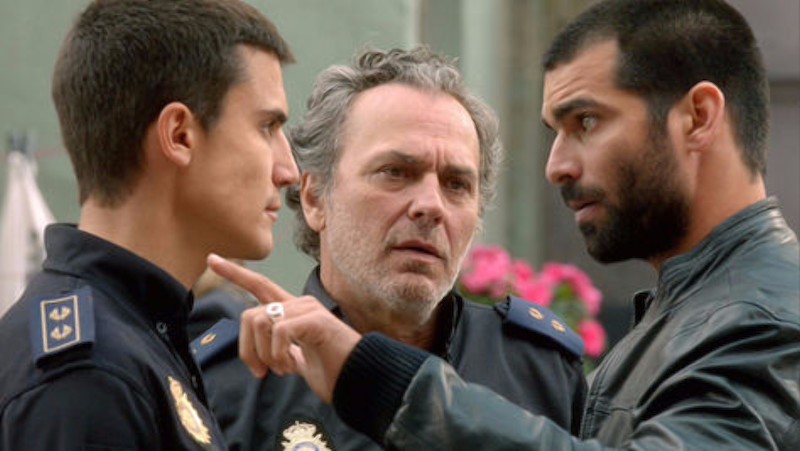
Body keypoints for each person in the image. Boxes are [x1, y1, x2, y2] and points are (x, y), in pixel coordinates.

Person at [210, 0, 800, 449]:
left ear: (698, 118)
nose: (557, 166)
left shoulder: (763, 323)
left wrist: (373, 377)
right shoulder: (223, 374)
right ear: (314, 197)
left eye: (587, 121)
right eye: (395, 172)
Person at [194, 46, 587, 450]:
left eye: (456, 184)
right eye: (395, 172)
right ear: (314, 198)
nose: (431, 206)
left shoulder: (539, 369)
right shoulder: (231, 379)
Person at [0, 0, 298, 449]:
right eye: (267, 127)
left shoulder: (134, 337)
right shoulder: (92, 376)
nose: (288, 170)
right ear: (179, 135)